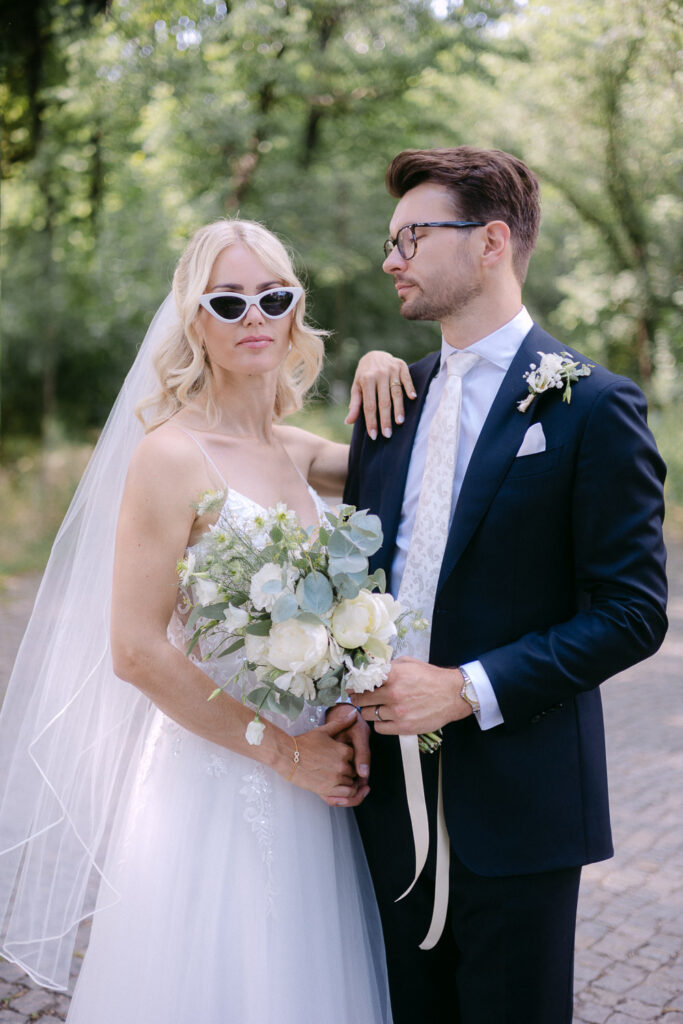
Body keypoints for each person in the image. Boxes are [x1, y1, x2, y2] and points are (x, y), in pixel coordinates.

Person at [0, 218, 400, 1023]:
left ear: (293, 315)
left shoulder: (297, 452)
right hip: (214, 780)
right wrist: (287, 757)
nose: (252, 316)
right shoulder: (172, 456)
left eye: (272, 296)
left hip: (315, 782)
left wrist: (386, 362)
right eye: (227, 301)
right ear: (194, 321)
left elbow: (405, 447)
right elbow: (137, 651)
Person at [343, 147, 668, 1024]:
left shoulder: (594, 406)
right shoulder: (388, 402)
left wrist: (464, 689)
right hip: (380, 805)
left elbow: (634, 612)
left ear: (491, 241)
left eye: (412, 236)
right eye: (390, 241)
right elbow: (357, 579)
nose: (391, 259)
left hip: (519, 803)